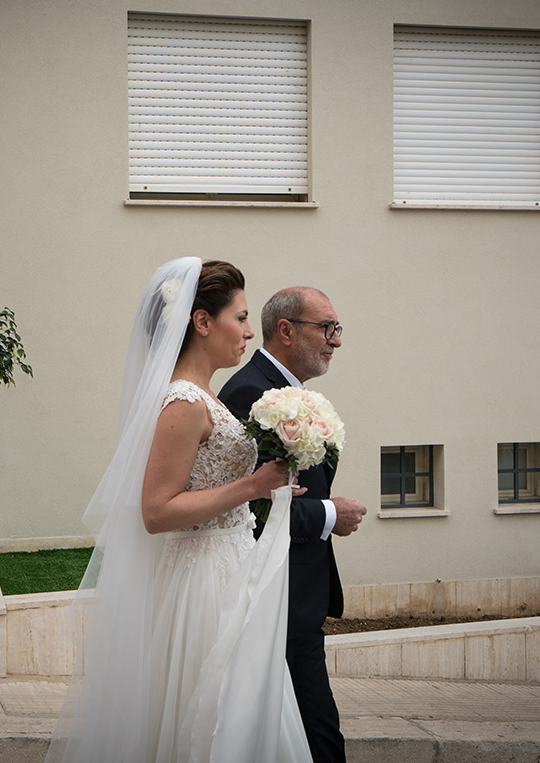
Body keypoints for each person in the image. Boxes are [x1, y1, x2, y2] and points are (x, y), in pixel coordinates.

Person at [47, 258, 313, 763]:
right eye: (240, 316)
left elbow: (211, 485)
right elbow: (156, 511)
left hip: (230, 565)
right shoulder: (185, 403)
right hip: (203, 583)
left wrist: (265, 489)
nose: (249, 331)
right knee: (213, 716)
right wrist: (251, 485)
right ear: (201, 321)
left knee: (246, 710)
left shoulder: (205, 396)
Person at [219, 287, 366, 763]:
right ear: (286, 330)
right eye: (326, 328)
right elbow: (253, 505)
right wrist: (328, 514)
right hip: (274, 597)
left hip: (298, 601)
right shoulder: (247, 393)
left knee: (307, 736)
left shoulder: (290, 394)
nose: (335, 341)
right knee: (314, 739)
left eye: (336, 329)